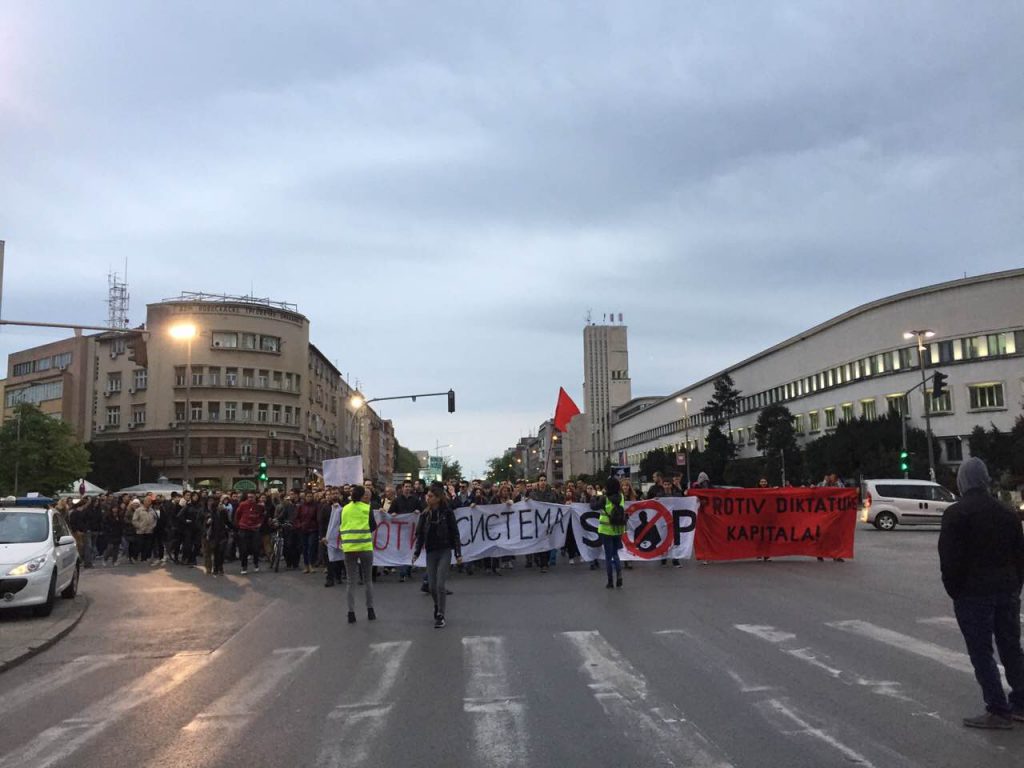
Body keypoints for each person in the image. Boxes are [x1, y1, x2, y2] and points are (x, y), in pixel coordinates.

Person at [938, 456, 1024, 729]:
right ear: (986, 480)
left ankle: (998, 710)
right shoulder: (1008, 513)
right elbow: (1020, 556)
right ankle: (1021, 703)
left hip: (974, 594)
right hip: (1007, 590)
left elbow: (949, 561)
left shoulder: (956, 514)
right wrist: (1015, 585)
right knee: (1011, 648)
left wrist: (956, 591)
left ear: (963, 482)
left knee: (981, 651)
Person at [413, 483, 463, 628]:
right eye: (427, 496)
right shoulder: (424, 514)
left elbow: (455, 533)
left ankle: (441, 614)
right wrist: (416, 552)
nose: (427, 498)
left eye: (431, 496)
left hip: (444, 550)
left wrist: (458, 553)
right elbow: (420, 535)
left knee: (440, 584)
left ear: (438, 498)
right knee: (432, 586)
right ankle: (437, 604)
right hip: (431, 552)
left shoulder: (447, 513)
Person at [341, 485, 376, 623]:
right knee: (368, 580)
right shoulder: (367, 508)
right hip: (365, 547)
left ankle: (351, 613)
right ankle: (370, 610)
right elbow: (373, 526)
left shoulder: (345, 509)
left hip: (349, 548)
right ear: (362, 496)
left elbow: (342, 525)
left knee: (351, 581)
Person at [593, 477, 626, 589]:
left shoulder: (604, 498)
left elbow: (593, 507)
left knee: (608, 556)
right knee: (615, 554)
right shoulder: (621, 497)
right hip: (618, 529)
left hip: (606, 530)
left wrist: (594, 496)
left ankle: (610, 581)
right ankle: (619, 576)